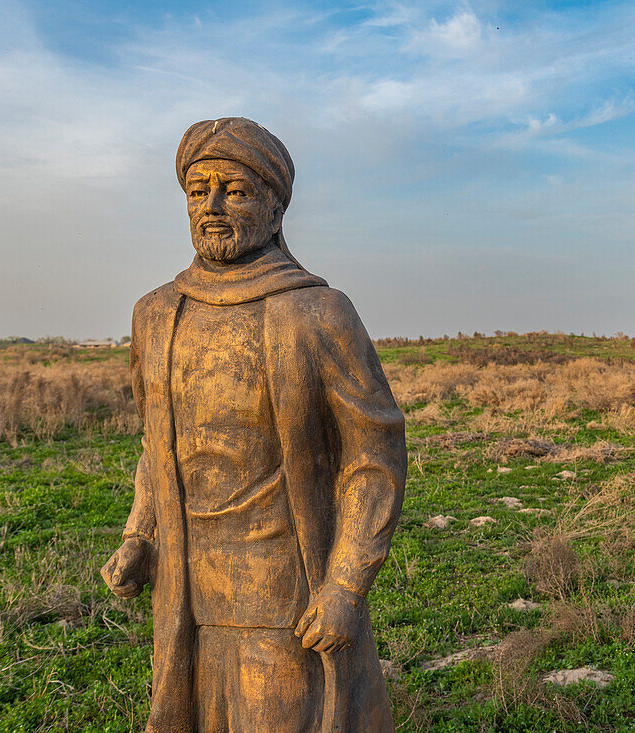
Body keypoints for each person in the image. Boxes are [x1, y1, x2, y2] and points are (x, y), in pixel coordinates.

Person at [100, 117, 406, 732]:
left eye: (234, 191)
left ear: (275, 207)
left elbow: (373, 455)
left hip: (284, 589)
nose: (210, 207)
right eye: (197, 191)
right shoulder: (157, 313)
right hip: (185, 588)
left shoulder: (317, 312)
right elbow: (158, 444)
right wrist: (141, 535)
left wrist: (346, 582)